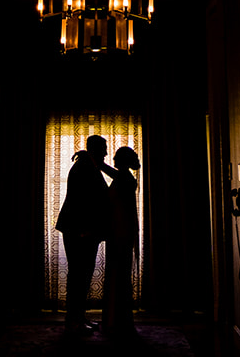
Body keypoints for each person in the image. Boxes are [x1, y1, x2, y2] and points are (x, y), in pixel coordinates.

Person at [56, 134, 111, 336]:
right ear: (95, 149)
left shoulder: (89, 165)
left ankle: (78, 317)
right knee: (79, 275)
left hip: (83, 229)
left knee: (82, 275)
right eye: (103, 148)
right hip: (80, 230)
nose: (106, 152)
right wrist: (84, 229)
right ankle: (73, 320)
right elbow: (82, 201)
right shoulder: (85, 167)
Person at [102, 146, 140, 342]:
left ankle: (117, 321)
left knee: (118, 275)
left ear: (122, 160)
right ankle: (118, 320)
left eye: (116, 156)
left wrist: (94, 161)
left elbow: (106, 169)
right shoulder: (124, 177)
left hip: (120, 231)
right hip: (120, 230)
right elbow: (107, 169)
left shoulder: (124, 178)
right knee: (119, 275)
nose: (113, 158)